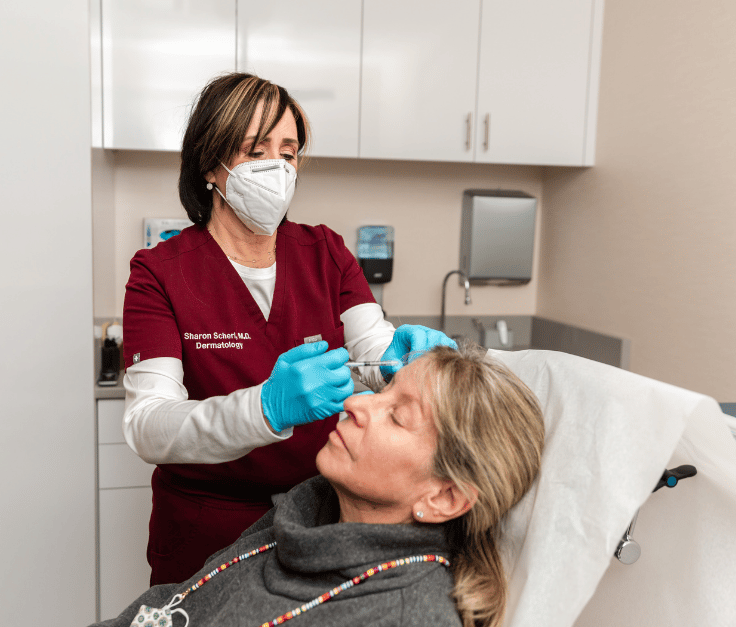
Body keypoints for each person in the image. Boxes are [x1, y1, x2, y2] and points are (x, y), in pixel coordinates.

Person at [121, 71, 457, 585]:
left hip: (319, 515)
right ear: (212, 162)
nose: (276, 167)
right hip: (205, 527)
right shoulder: (159, 272)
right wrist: (265, 407)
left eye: (289, 151)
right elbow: (149, 424)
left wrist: (398, 360)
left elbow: (372, 351)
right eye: (256, 150)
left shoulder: (326, 251)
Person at [92, 344, 545, 627]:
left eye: (397, 415)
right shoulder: (304, 518)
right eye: (380, 391)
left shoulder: (404, 614)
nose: (355, 402)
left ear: (445, 496)